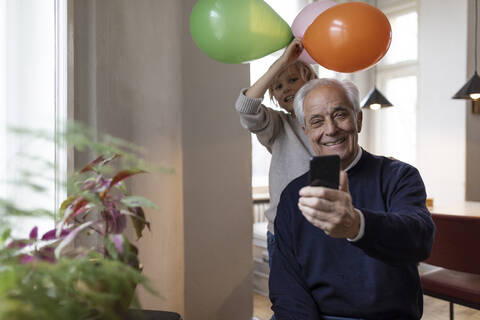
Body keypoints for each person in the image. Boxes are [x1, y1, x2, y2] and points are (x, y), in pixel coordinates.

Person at [269, 78, 435, 320]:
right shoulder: (293, 194)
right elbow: (287, 287)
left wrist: (356, 225)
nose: (331, 129)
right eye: (317, 121)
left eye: (340, 115)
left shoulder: (398, 176)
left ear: (358, 120)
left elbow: (419, 239)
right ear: (306, 132)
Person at [234, 38, 318, 267]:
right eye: (278, 87)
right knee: (289, 299)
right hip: (285, 232)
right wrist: (283, 62)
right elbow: (246, 106)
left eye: (293, 79)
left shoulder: (328, 123)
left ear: (310, 80)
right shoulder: (278, 126)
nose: (286, 89)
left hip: (325, 228)